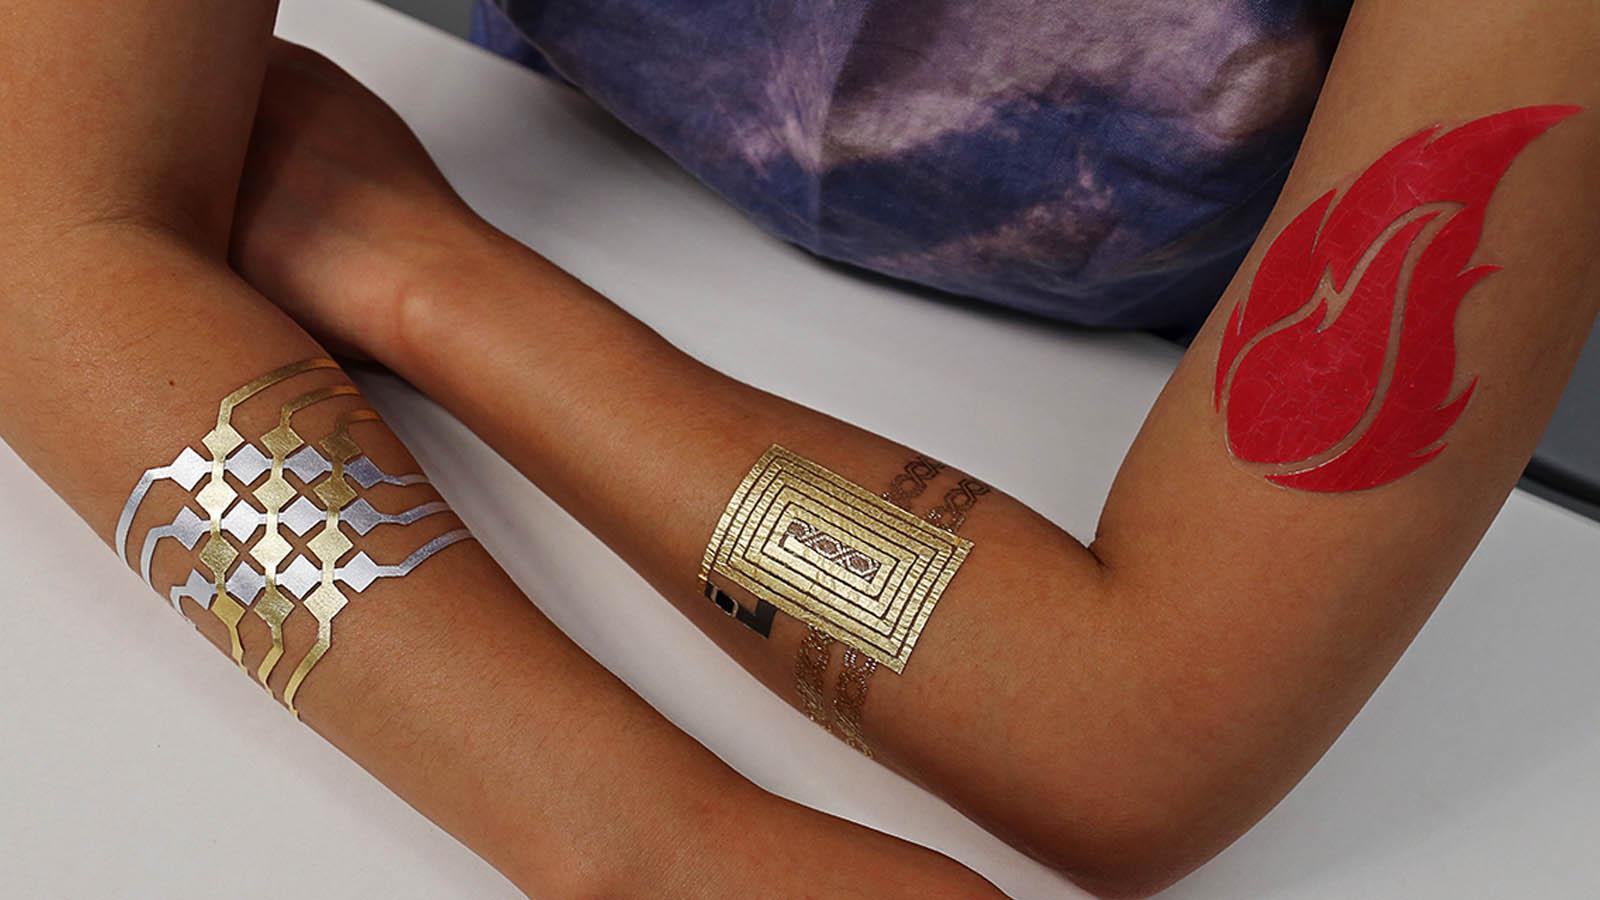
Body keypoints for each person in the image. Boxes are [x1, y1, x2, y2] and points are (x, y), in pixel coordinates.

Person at [2, 2, 1597, 897]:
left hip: (1195, 366)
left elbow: (1134, 741)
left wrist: (425, 276)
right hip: (600, 173)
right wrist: (653, 845)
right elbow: (47, 236)